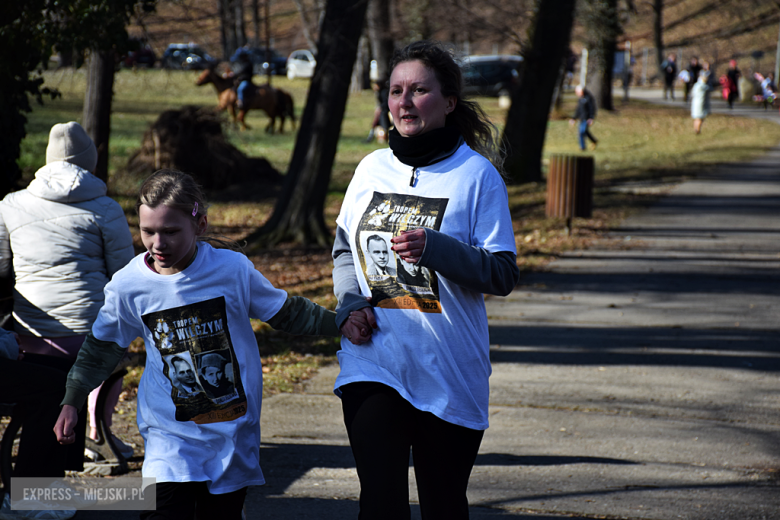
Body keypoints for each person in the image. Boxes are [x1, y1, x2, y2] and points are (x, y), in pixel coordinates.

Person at [54, 169, 357, 520]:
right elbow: (100, 349)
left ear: (199, 225)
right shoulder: (129, 285)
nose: (157, 244)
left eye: (170, 232)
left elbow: (286, 312)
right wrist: (72, 400)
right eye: (147, 231)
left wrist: (341, 321)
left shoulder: (231, 269)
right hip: (170, 436)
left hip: (232, 435)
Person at [332, 40, 520, 519]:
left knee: (443, 504)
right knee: (380, 502)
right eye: (396, 91)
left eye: (419, 90)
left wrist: (436, 249)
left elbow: (501, 273)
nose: (404, 102)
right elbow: (343, 249)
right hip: (376, 361)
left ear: (448, 102)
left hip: (448, 366)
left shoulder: (476, 177)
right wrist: (351, 305)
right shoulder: (371, 168)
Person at [0, 121, 136, 459]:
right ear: (89, 161)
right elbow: (124, 275)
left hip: (29, 339)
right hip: (89, 338)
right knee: (113, 347)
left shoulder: (11, 205)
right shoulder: (107, 208)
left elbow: (2, 270)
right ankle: (96, 432)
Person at [569, 85, 598, 151]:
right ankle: (583, 147)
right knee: (582, 132)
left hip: (587, 118)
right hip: (581, 118)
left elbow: (592, 109)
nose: (577, 93)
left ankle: (585, 145)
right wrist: (573, 118)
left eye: (577, 92)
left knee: (582, 131)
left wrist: (591, 118)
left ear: (581, 91)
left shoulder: (588, 98)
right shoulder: (580, 99)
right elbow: (578, 110)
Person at [365, 77, 391, 143]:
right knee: (375, 122)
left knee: (378, 120)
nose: (374, 87)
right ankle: (371, 137)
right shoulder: (379, 92)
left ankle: (374, 136)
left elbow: (386, 104)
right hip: (382, 112)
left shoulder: (384, 92)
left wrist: (380, 108)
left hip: (385, 112)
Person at [691, 70, 714, 135]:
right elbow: (708, 89)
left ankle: (696, 129)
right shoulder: (702, 86)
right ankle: (697, 131)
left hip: (696, 104)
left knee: (697, 118)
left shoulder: (697, 85)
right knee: (699, 118)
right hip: (700, 104)